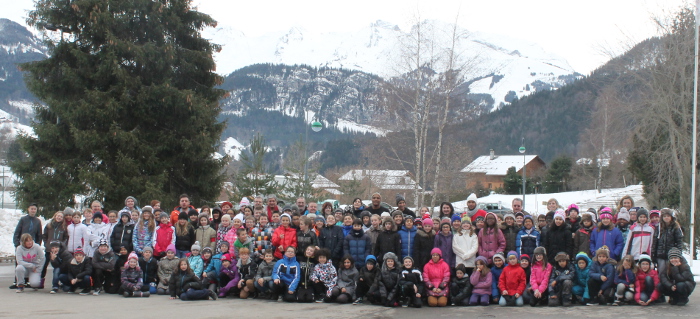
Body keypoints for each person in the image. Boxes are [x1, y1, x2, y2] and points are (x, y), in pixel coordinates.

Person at [652, 208, 683, 276]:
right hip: (660, 254)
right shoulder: (658, 227)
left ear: (671, 217)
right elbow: (655, 242)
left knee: (672, 272)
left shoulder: (675, 227)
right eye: (664, 216)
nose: (666, 218)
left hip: (672, 255)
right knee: (661, 272)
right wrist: (653, 254)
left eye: (668, 216)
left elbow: (679, 242)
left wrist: (678, 254)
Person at [41, 211, 68, 287]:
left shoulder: (63, 227)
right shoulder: (49, 225)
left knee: (57, 266)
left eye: (61, 217)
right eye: (58, 216)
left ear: (63, 219)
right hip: (49, 249)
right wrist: (46, 244)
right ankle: (41, 281)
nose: (59, 217)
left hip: (58, 251)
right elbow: (44, 235)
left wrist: (62, 245)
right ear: (55, 216)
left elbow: (66, 237)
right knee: (44, 265)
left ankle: (57, 282)